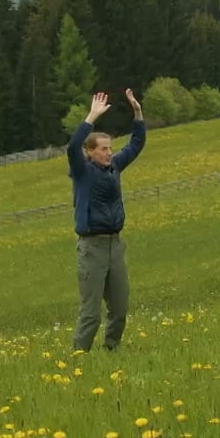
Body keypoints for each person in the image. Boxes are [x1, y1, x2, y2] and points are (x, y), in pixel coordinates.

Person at [66, 88, 147, 352]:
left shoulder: (114, 167)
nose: (109, 153)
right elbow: (71, 148)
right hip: (92, 249)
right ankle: (78, 358)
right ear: (89, 152)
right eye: (103, 149)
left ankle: (111, 351)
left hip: (115, 245)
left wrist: (137, 113)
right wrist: (91, 116)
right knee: (91, 313)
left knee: (120, 308)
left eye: (110, 148)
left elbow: (135, 144)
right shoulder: (83, 172)